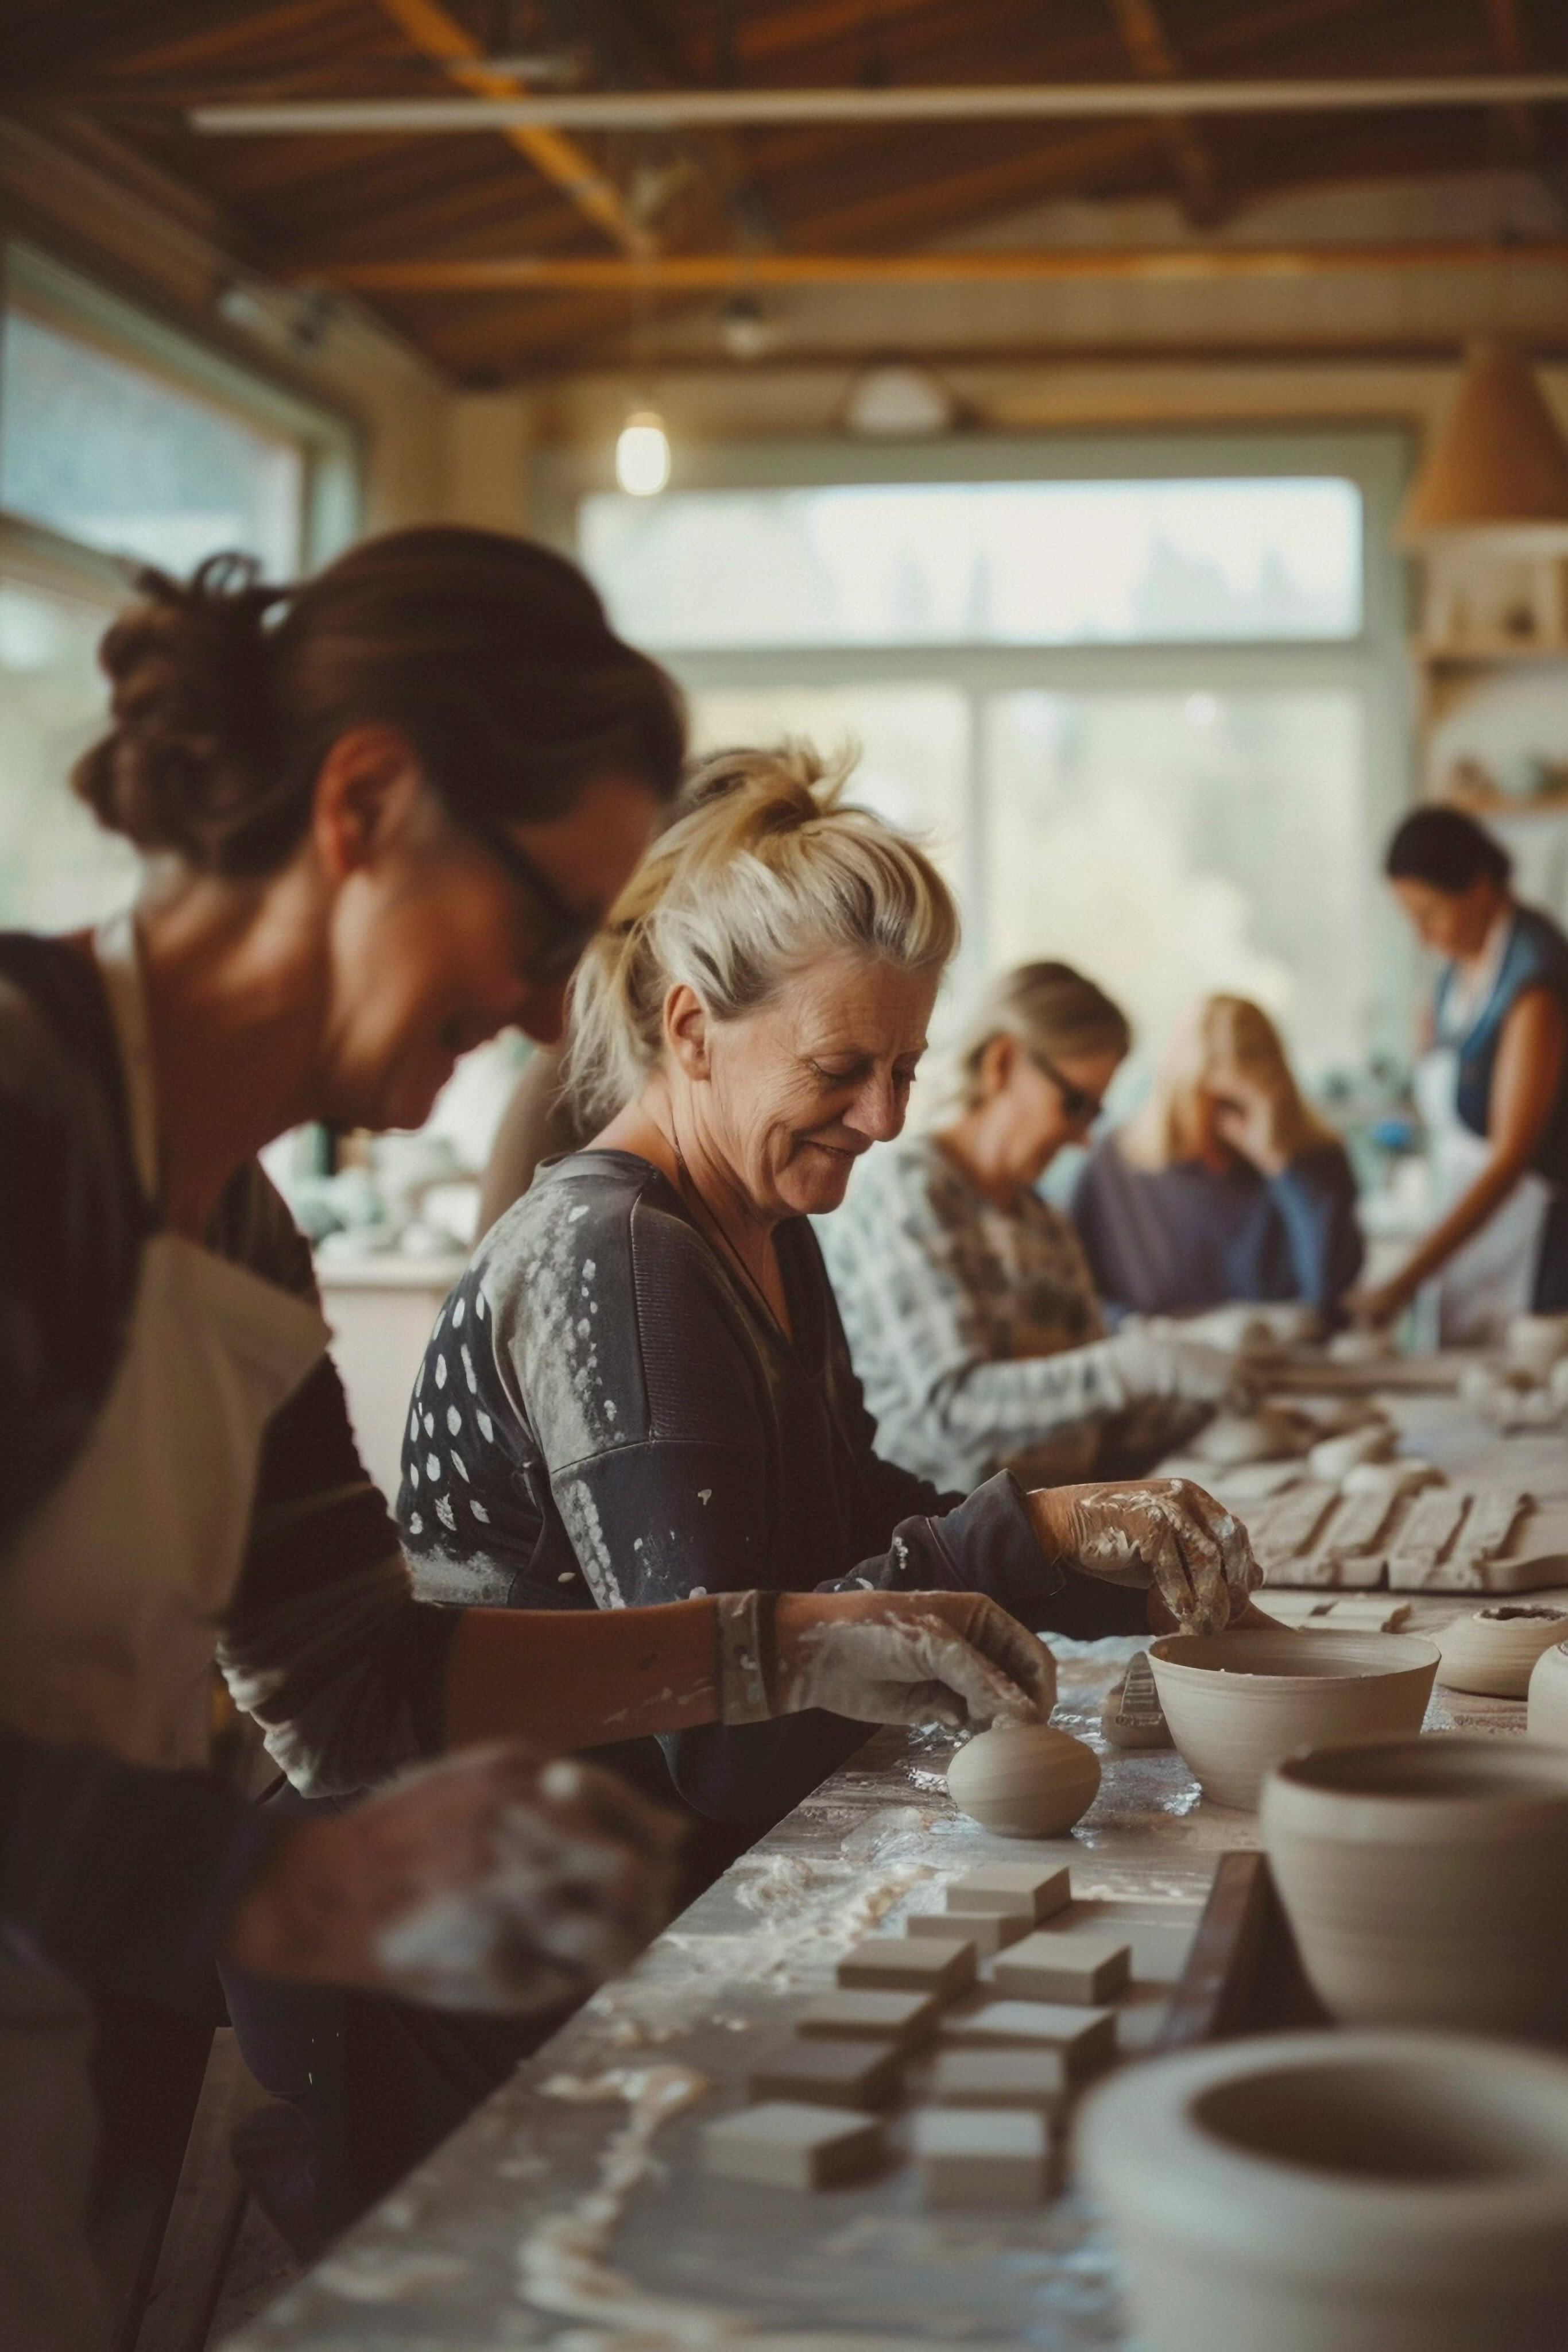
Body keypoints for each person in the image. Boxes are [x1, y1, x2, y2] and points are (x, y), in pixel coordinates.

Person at [0, 538, 1048, 2343]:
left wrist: (792, 1644)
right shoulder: (24, 1114)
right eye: (545, 923)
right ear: (365, 806)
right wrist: (276, 1881)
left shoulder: (236, 1223)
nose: (544, 1003)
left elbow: (349, 1681)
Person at [397, 744, 1264, 1840]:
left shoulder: (767, 1220)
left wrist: (1100, 1567)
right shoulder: (620, 1258)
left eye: (904, 1069)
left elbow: (845, 1518)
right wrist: (1031, 1528)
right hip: (501, 1871)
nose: (885, 1119)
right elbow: (724, 1733)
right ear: (692, 1031)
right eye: (839, 1070)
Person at [818, 962, 1240, 1494]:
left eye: (1093, 1114)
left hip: (1060, 1521)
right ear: (1003, 1062)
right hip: (945, 1529)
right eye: (1073, 1105)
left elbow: (1097, 1421)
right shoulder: (905, 1196)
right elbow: (952, 1411)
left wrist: (1208, 1394)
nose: (1082, 1139)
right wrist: (1137, 1368)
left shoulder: (1046, 1225)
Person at [1348, 806, 1568, 1339]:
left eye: (1430, 913)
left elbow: (1509, 1160)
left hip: (1531, 1239)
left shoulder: (1534, 984)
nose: (1422, 935)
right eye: (1409, 918)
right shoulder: (1455, 971)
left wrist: (1406, 1277)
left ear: (1478, 887)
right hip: (1466, 1226)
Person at [1073, 993, 1363, 1320]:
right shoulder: (1114, 1167)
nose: (1225, 1126)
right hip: (1154, 1349)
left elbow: (1328, 1295)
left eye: (1237, 1106)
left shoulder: (1317, 1163)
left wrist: (1280, 1166)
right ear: (1174, 1096)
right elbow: (1083, 1301)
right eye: (1209, 1103)